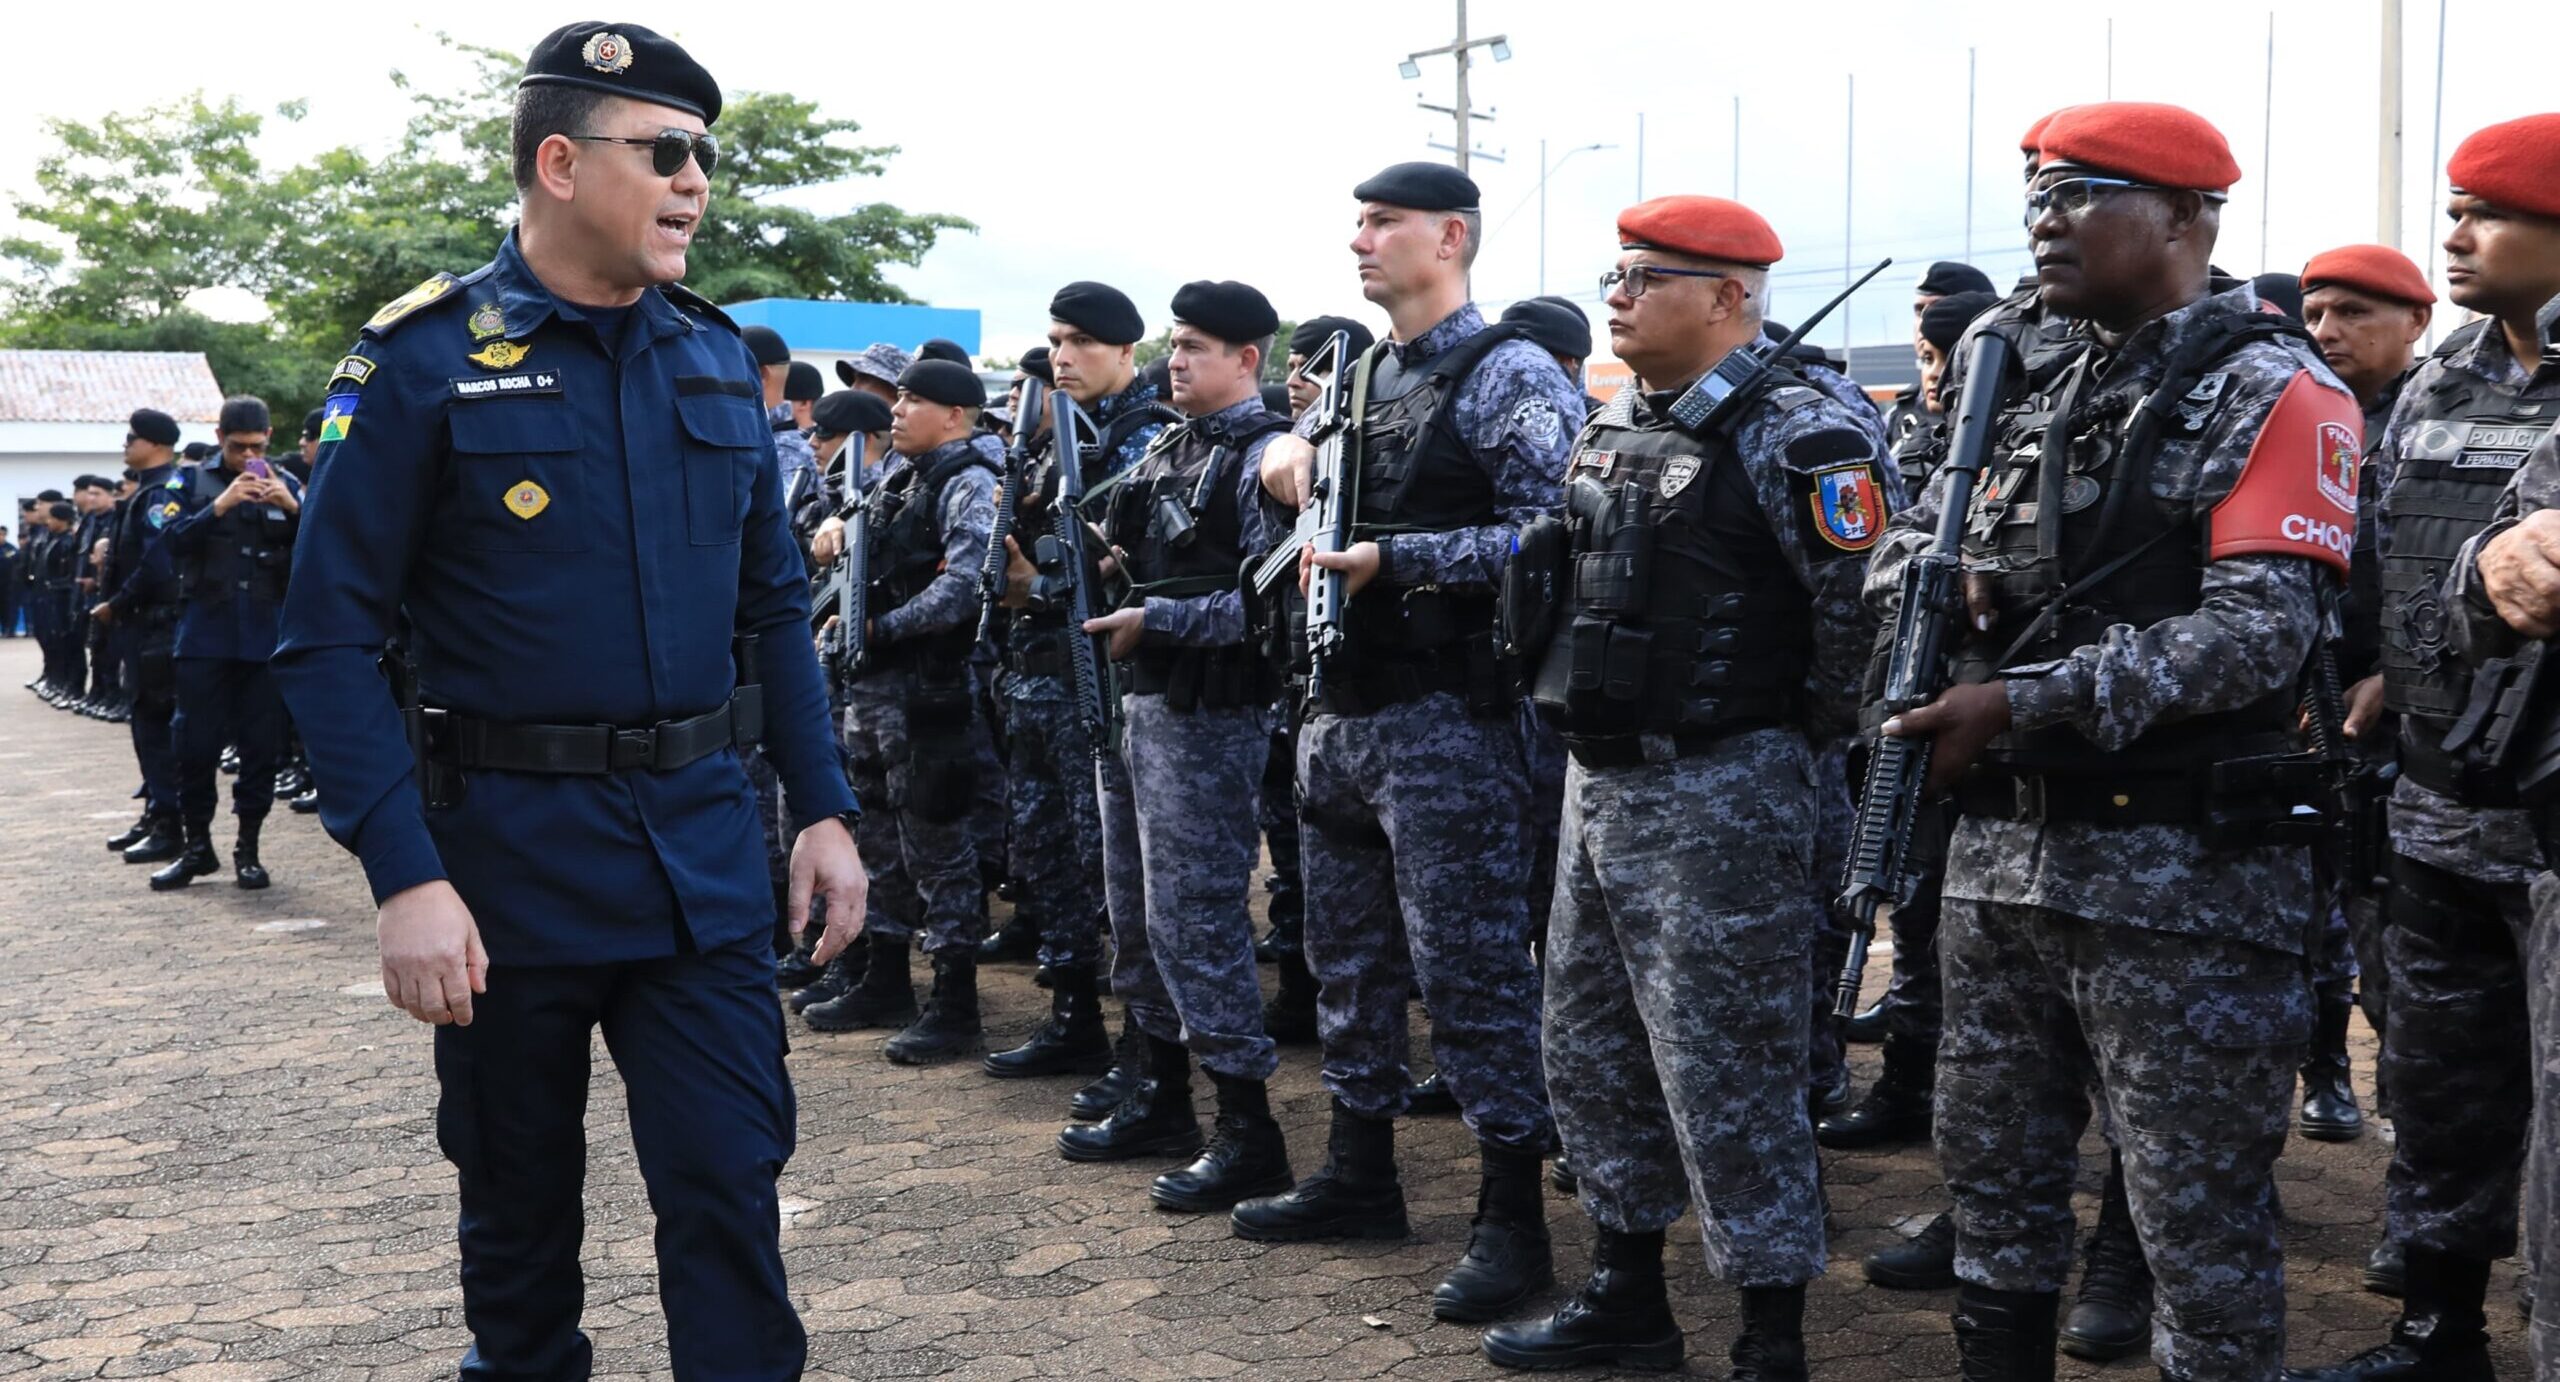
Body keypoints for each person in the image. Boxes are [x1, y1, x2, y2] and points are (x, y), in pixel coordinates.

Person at [272, 26, 868, 1380]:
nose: (695, 183)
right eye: (663, 151)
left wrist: (824, 810)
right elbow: (325, 641)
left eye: (705, 157)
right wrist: (403, 876)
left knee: (729, 1193)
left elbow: (773, 609)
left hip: (701, 865)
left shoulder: (716, 357)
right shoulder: (419, 362)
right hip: (503, 872)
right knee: (521, 1219)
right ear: (558, 160)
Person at [1870, 102, 2361, 1381]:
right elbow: (1894, 551)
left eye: (2084, 190)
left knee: (2196, 1229)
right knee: (1995, 1195)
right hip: (2002, 864)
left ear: (2192, 217)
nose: (2045, 216)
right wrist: (1952, 581)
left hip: (2185, 881)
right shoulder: (2015, 382)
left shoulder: (2279, 390)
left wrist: (2019, 701)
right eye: (2036, 191)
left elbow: (2256, 634)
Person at [1477, 195, 1886, 1379]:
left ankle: (1769, 1332)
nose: (1616, 291)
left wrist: (1783, 737)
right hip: (1598, 781)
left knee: (1728, 1063)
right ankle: (1626, 1291)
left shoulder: (1799, 429)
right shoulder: (1616, 418)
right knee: (1590, 1046)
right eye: (1614, 270)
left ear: (1727, 297)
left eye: (1646, 274)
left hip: (1724, 786)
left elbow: (1860, 616)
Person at [1236, 161, 1581, 1324]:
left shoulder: (1507, 371)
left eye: (1383, 222)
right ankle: (1358, 1168)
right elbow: (1292, 477)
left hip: (1452, 718)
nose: (1360, 239)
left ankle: (1511, 1215)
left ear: (1451, 235)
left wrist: (1404, 559)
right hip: (1343, 709)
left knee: (1472, 972)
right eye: (1358, 220)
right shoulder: (1357, 374)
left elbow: (1556, 533)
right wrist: (1277, 457)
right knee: (1348, 960)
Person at [2291, 114, 2560, 1382]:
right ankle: (2436, 1331)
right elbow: (2391, 561)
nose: (2451, 235)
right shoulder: (2446, 376)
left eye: (2483, 212)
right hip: (2440, 794)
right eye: (2450, 209)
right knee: (2438, 1085)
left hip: (2550, 817)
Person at [1059, 281, 1295, 1210]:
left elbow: (1274, 602)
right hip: (1140, 707)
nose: (1177, 359)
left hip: (1209, 715)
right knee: (1138, 911)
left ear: (1249, 358)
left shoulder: (1260, 456)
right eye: (1176, 344)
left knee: (1196, 918)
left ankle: (1249, 1126)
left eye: (1197, 346)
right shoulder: (1169, 446)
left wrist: (1156, 615)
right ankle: (1162, 1088)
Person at [981, 281, 1176, 1099]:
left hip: (1104, 679)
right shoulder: (1049, 436)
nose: (1061, 357)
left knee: (1118, 874)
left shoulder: (1146, 437)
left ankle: (1145, 1043)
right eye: (1055, 341)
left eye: (1079, 343)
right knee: (1045, 852)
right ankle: (1073, 1014)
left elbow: (1130, 562)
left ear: (1126, 351)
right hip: (1035, 675)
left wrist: (1047, 586)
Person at [802, 359, 999, 1060]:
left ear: (953, 414)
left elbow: (967, 588)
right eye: (901, 396)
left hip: (927, 693)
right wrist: (834, 531)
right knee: (877, 841)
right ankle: (884, 978)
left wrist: (883, 627)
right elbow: (860, 538)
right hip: (875, 690)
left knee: (938, 847)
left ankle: (956, 1003)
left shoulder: (969, 481)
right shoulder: (898, 478)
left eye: (914, 400)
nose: (897, 409)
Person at [141, 398, 299, 891]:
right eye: (237, 447)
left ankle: (248, 849)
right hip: (205, 636)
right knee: (195, 745)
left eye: (256, 445)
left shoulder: (288, 485)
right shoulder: (187, 483)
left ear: (270, 436)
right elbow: (165, 541)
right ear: (219, 436)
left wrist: (294, 510)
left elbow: (325, 548)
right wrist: (219, 506)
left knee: (259, 750)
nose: (247, 455)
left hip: (265, 639)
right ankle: (196, 848)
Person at [92, 409, 190, 864]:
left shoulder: (161, 495)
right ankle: (157, 811)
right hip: (142, 623)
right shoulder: (147, 491)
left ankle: (171, 823)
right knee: (144, 722)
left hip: (156, 623)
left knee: (155, 725)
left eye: (132, 438)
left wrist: (116, 603)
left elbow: (158, 563)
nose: (125, 445)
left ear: (155, 443)